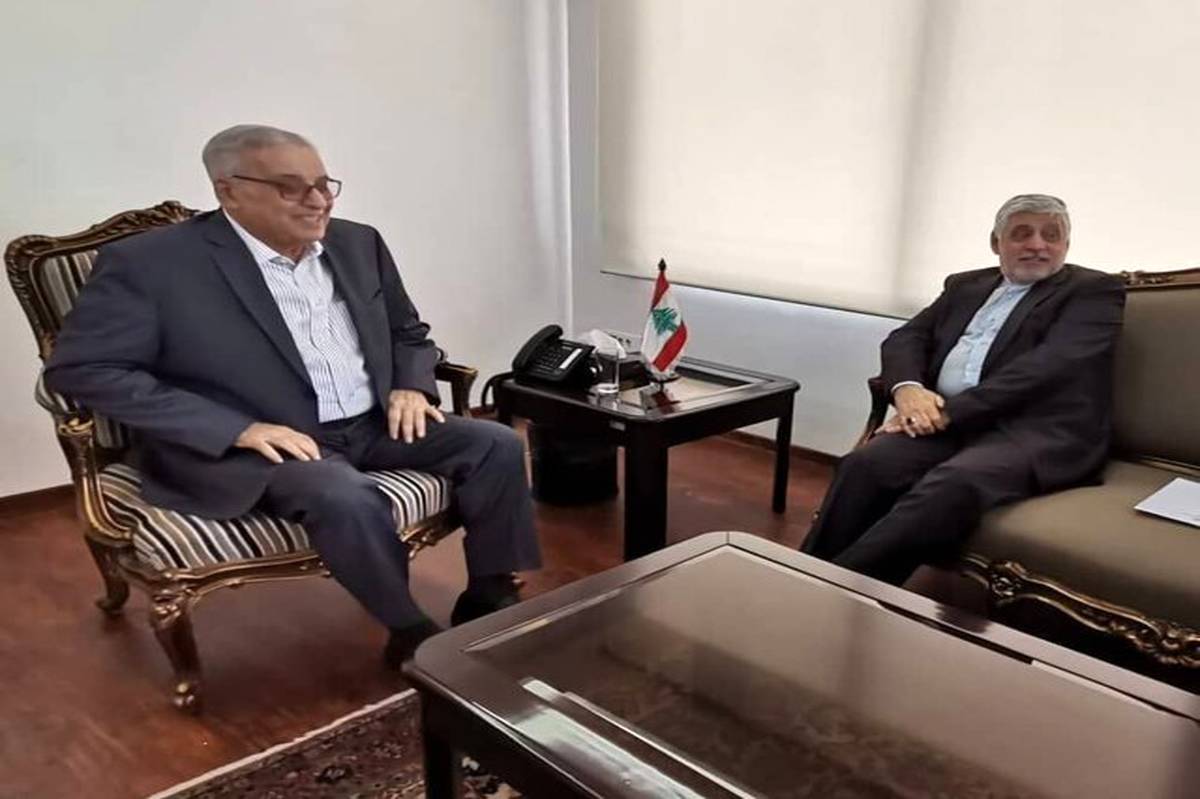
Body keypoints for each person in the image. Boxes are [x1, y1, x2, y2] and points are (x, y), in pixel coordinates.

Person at [46, 124, 541, 666]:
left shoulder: (359, 242)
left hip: (371, 421)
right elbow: (84, 369)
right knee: (341, 493)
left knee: (495, 443)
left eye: (324, 183)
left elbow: (407, 332)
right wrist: (234, 429)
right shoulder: (151, 264)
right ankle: (409, 630)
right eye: (291, 187)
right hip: (256, 445)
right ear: (228, 190)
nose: (318, 200)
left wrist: (409, 383)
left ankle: (490, 593)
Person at [801, 194, 1124, 585]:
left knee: (953, 484)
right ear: (996, 242)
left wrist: (942, 413)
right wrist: (907, 391)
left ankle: (836, 589)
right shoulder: (966, 284)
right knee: (865, 464)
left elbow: (1048, 367)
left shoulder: (1093, 291)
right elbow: (906, 337)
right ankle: (803, 571)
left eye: (1051, 235)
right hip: (949, 424)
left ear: (1066, 244)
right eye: (1022, 233)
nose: (1037, 245)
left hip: (1032, 432)